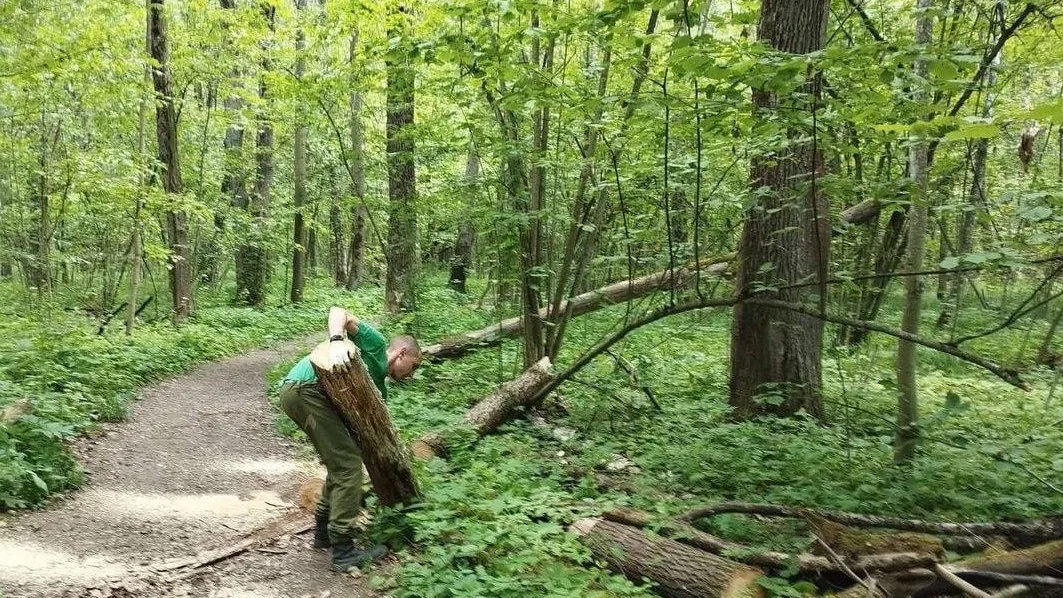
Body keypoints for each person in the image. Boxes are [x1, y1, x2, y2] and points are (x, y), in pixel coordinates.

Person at [279, 306, 421, 571]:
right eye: (413, 366)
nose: (411, 375)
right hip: (305, 390)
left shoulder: (378, 386)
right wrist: (336, 342)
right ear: (402, 354)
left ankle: (324, 531)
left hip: (305, 395)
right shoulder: (376, 345)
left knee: (340, 463)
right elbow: (338, 312)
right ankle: (343, 550)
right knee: (348, 465)